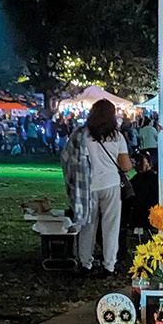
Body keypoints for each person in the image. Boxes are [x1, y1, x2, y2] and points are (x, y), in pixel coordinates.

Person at [61, 97, 131, 273]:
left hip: (87, 185)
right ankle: (109, 264)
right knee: (111, 226)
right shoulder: (117, 136)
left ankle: (85, 262)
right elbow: (125, 165)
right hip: (111, 184)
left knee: (88, 224)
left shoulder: (82, 134)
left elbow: (67, 157)